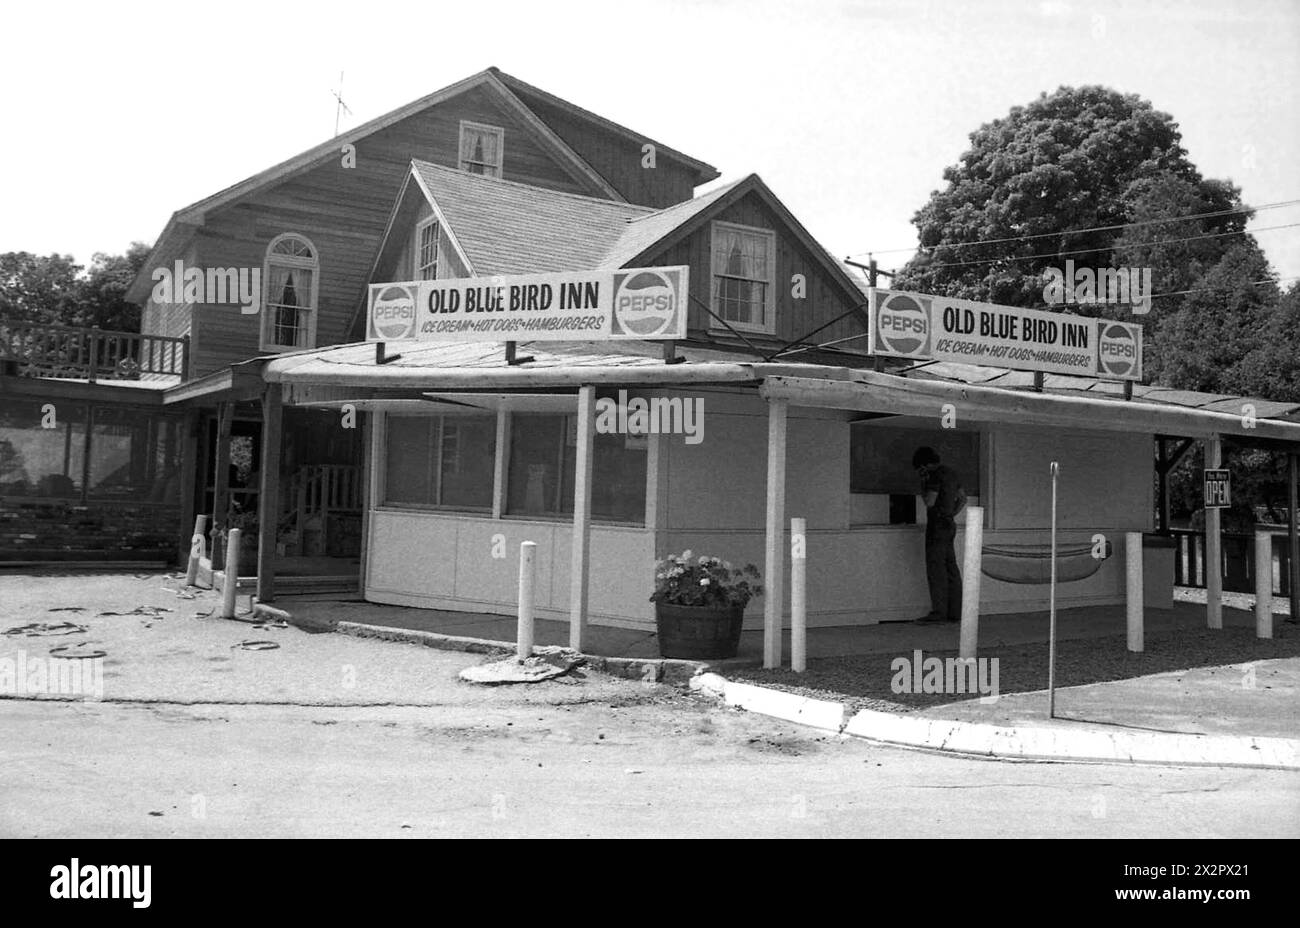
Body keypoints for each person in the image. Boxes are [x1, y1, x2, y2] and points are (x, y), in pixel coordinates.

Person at [912, 446, 967, 623]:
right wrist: (951, 513)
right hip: (950, 524)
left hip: (937, 526)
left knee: (936, 569)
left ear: (924, 465)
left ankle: (939, 613)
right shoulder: (951, 473)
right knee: (951, 567)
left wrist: (922, 484)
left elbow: (929, 501)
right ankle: (956, 612)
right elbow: (963, 499)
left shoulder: (933, 476)